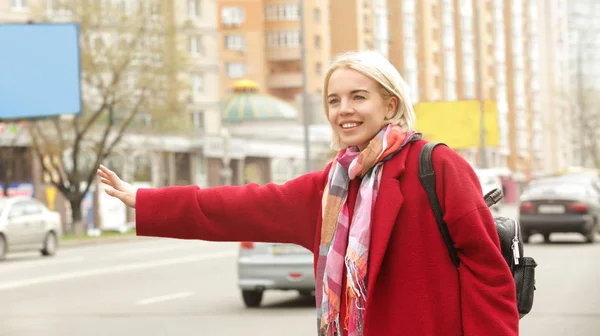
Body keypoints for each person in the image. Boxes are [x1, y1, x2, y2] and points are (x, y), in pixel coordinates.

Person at [98, 50, 518, 336]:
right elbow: (240, 207)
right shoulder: (329, 188)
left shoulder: (437, 167)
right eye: (334, 100)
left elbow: (488, 275)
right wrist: (147, 200)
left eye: (358, 97)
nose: (344, 110)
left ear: (390, 106)